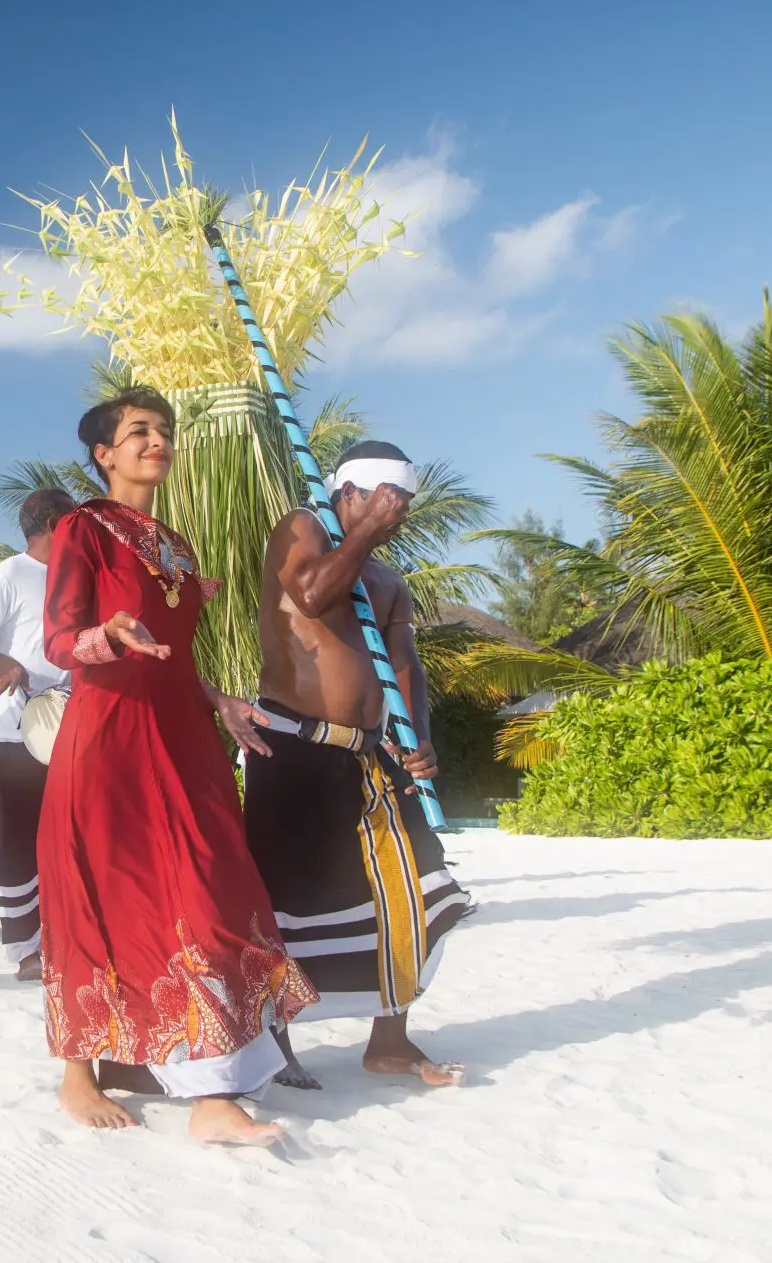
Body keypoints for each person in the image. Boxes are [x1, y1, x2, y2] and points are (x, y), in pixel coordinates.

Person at [36, 388, 314, 1144]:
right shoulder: (84, 527)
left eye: (163, 430)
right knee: (102, 892)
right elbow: (58, 641)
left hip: (182, 736)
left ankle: (194, 1072)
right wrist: (106, 634)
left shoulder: (177, 544)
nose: (157, 440)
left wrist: (218, 698)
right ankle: (83, 1074)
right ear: (104, 454)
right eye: (138, 431)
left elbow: (174, 655)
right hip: (109, 738)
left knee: (208, 887)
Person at [244, 440, 472, 1089]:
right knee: (285, 905)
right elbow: (312, 595)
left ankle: (389, 1041)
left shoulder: (388, 581)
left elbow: (405, 666)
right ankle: (275, 1043)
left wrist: (417, 737)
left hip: (370, 756)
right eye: (386, 503)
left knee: (413, 889)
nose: (397, 516)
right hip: (293, 748)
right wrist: (365, 533)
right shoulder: (299, 529)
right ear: (349, 494)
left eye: (403, 507)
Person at [0, 487, 76, 980]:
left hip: (76, 722)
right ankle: (25, 948)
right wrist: (4, 665)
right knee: (21, 833)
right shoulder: (7, 574)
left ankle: (65, 936)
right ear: (52, 524)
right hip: (21, 726)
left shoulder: (81, 576)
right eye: (73, 522)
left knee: (71, 831)